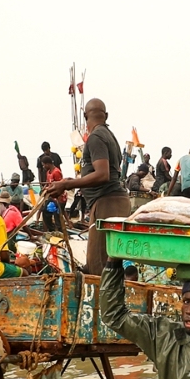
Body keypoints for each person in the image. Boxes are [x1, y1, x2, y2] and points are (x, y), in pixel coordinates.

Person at [42, 98, 130, 275]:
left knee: (98, 268)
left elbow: (103, 174)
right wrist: (71, 180)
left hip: (107, 204)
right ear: (106, 116)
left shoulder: (96, 137)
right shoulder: (110, 136)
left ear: (84, 116)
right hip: (117, 202)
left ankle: (99, 302)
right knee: (110, 264)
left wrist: (67, 184)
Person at [41, 155, 67, 231]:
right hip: (52, 197)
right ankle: (52, 229)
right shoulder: (48, 172)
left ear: (47, 164)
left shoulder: (56, 172)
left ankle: (61, 233)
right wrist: (45, 188)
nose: (43, 167)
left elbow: (60, 187)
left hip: (60, 198)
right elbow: (48, 183)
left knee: (58, 217)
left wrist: (58, 201)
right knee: (45, 212)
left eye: (44, 165)